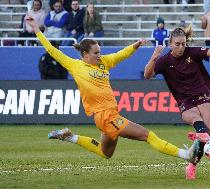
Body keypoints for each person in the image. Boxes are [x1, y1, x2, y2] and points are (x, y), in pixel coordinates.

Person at [25, 15, 198, 174]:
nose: (100, 55)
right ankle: (186, 154)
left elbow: (119, 55)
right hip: (106, 116)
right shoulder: (75, 66)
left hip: (108, 116)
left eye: (100, 51)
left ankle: (70, 136)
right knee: (147, 135)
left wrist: (135, 46)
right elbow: (51, 49)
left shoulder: (103, 62)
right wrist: (37, 30)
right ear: (85, 55)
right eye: (96, 53)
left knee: (105, 152)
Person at [144, 25, 210, 180]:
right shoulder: (164, 61)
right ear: (170, 44)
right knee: (197, 122)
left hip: (203, 94)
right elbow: (147, 74)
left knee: (206, 132)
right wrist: (154, 55)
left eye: (183, 44)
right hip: (185, 100)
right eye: (177, 44)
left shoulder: (192, 52)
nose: (181, 47)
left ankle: (192, 165)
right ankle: (200, 137)